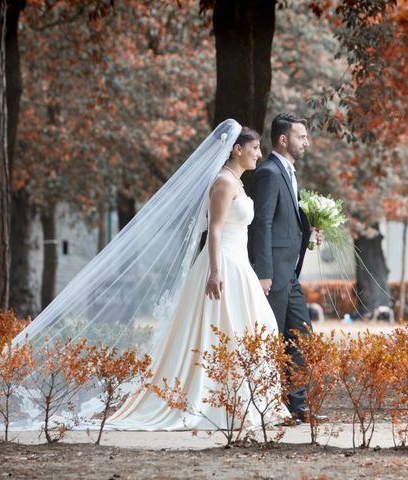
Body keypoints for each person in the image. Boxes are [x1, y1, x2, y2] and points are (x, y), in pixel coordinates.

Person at [108, 124, 289, 430]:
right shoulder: (223, 183)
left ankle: (254, 402)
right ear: (237, 149)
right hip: (223, 264)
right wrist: (215, 272)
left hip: (240, 264)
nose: (259, 154)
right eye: (255, 148)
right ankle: (222, 404)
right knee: (225, 329)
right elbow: (215, 229)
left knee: (258, 328)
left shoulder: (238, 183)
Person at [249, 113, 323, 423]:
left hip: (289, 273)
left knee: (301, 336)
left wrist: (307, 233)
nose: (306, 142)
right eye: (301, 137)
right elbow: (262, 224)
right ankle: (272, 407)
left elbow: (284, 221)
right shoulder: (268, 172)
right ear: (283, 139)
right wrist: (264, 273)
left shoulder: (288, 173)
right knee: (273, 339)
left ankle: (298, 407)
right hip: (273, 274)